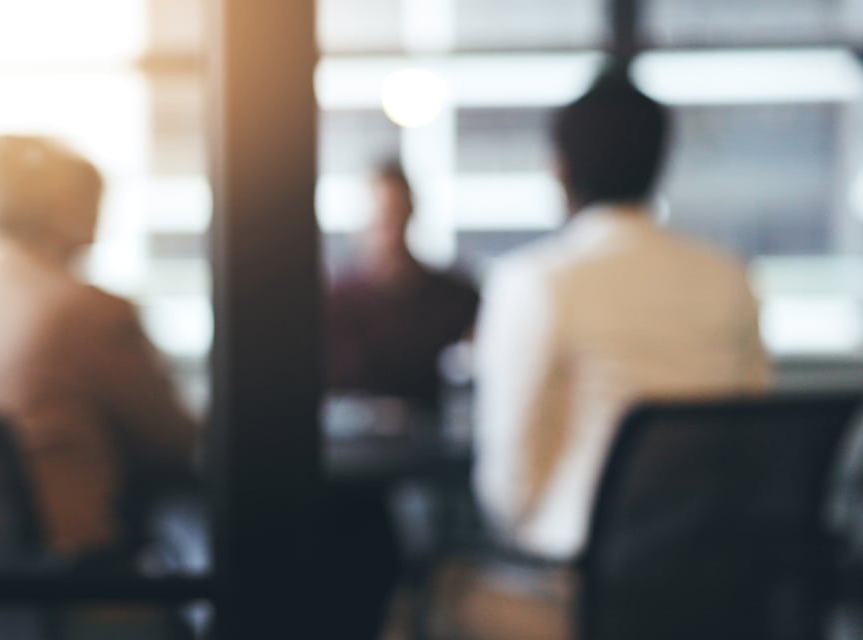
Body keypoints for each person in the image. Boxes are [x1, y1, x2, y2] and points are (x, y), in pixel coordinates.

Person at [472, 64, 774, 563]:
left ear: (560, 168)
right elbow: (755, 442)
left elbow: (507, 491)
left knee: (423, 598)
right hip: (713, 579)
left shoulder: (536, 281)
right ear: (661, 161)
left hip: (575, 585)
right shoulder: (730, 278)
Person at [0, 135, 198, 561]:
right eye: (94, 202)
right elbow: (175, 440)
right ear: (65, 208)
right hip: (63, 573)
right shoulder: (89, 311)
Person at [325, 160, 479, 406]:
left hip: (429, 438)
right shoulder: (334, 300)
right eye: (382, 216)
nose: (391, 229)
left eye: (397, 214)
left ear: (411, 212)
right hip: (349, 440)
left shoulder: (453, 297)